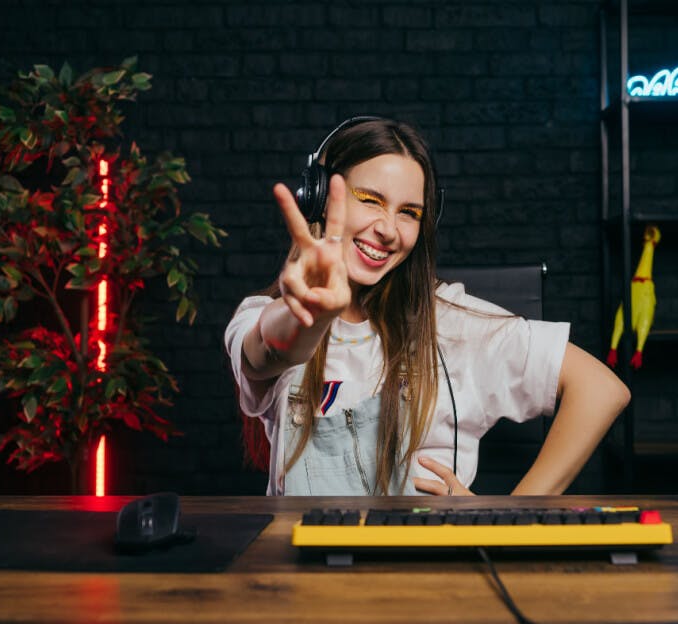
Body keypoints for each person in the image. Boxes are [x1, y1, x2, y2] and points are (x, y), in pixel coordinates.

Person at [224, 117, 629, 496]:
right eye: (370, 199)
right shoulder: (260, 316)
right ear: (318, 198)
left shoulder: (453, 323)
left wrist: (513, 513)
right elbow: (271, 350)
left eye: (409, 213)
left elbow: (602, 389)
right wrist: (308, 312)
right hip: (304, 567)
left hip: (430, 566)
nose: (387, 229)